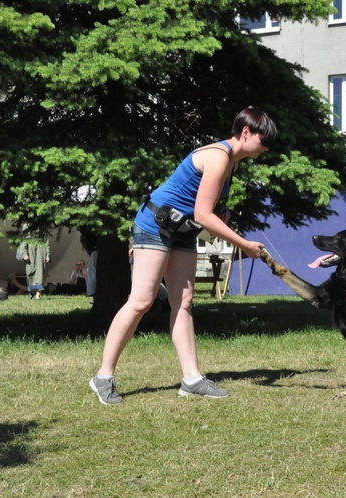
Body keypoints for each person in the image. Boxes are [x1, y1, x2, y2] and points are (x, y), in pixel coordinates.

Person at [90, 106, 277, 405]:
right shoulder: (218, 156)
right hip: (155, 225)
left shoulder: (233, 164)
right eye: (263, 140)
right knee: (141, 301)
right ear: (245, 132)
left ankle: (191, 380)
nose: (266, 148)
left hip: (182, 230)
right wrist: (243, 244)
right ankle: (103, 376)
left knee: (184, 302)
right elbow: (204, 214)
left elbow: (206, 209)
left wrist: (224, 214)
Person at [16, 235, 51, 300]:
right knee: (30, 272)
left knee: (40, 273)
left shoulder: (43, 227)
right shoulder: (27, 226)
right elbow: (23, 241)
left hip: (41, 250)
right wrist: (24, 254)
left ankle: (38, 294)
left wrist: (48, 255)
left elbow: (46, 241)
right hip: (30, 251)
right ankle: (32, 290)